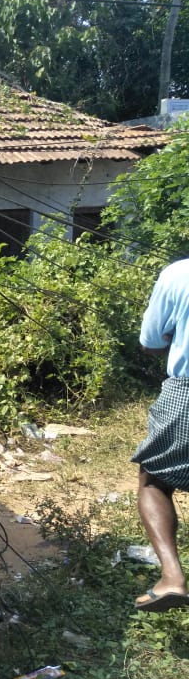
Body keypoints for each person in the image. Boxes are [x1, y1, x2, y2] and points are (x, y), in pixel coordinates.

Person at [131, 257, 189, 612]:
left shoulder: (179, 273)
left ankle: (172, 577)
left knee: (154, 481)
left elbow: (151, 341)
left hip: (187, 393)